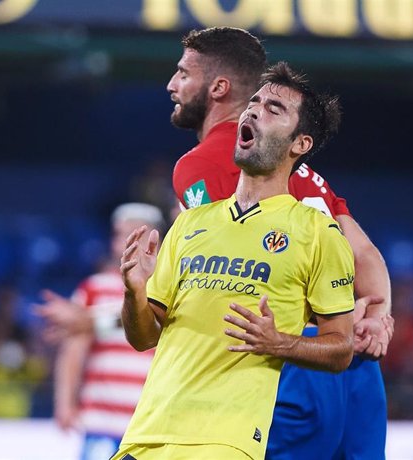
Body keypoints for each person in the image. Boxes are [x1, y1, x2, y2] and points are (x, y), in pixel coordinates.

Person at [165, 27, 392, 459]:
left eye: (182, 74)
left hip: (289, 357)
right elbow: (364, 252)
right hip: (354, 362)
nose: (172, 85)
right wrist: (376, 315)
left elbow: (224, 273)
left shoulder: (198, 166)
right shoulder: (305, 174)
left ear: (218, 87)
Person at [113, 62, 355, 459]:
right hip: (145, 435)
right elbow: (144, 337)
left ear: (301, 144)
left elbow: (341, 348)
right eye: (254, 102)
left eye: (274, 109)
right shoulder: (191, 222)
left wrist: (280, 343)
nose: (254, 110)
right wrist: (133, 292)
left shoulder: (316, 232)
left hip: (225, 442)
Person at [35, 203, 164, 460]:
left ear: (154, 240)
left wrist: (88, 319)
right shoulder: (94, 287)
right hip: (102, 420)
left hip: (150, 422)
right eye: (118, 234)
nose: (123, 242)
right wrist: (65, 403)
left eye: (132, 234)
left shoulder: (165, 288)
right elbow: (74, 348)